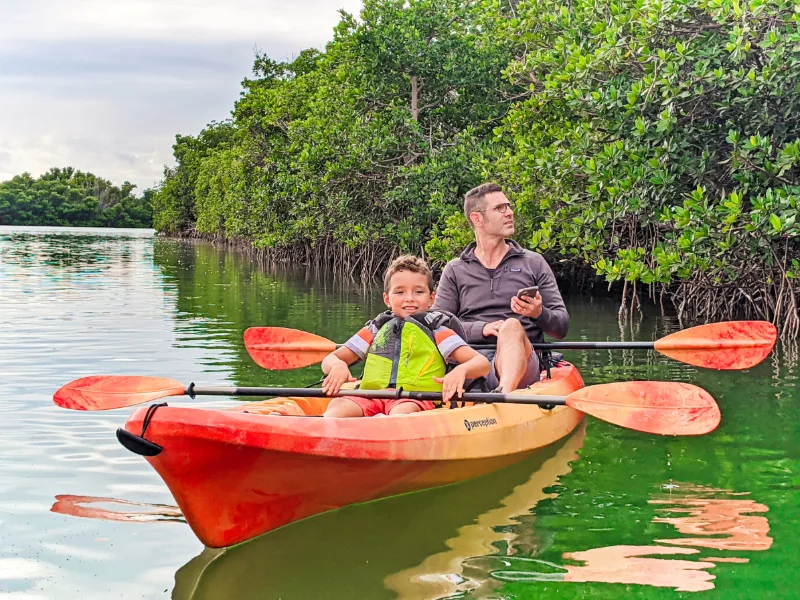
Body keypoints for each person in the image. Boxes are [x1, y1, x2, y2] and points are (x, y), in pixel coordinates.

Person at [432, 182, 569, 393]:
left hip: (524, 365)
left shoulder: (534, 262)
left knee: (511, 326)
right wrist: (482, 329)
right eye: (499, 208)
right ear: (477, 218)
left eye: (508, 206)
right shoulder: (455, 269)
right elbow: (437, 327)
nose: (510, 213)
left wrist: (539, 313)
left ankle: (503, 395)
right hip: (472, 362)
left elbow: (561, 327)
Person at [321, 255, 491, 417]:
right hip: (371, 395)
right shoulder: (376, 328)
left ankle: (384, 433)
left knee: (402, 411)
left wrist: (461, 370)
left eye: (418, 292)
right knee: (338, 407)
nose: (409, 298)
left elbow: (481, 363)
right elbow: (331, 358)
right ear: (387, 299)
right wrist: (337, 366)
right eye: (400, 292)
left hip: (414, 398)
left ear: (432, 298)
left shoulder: (438, 330)